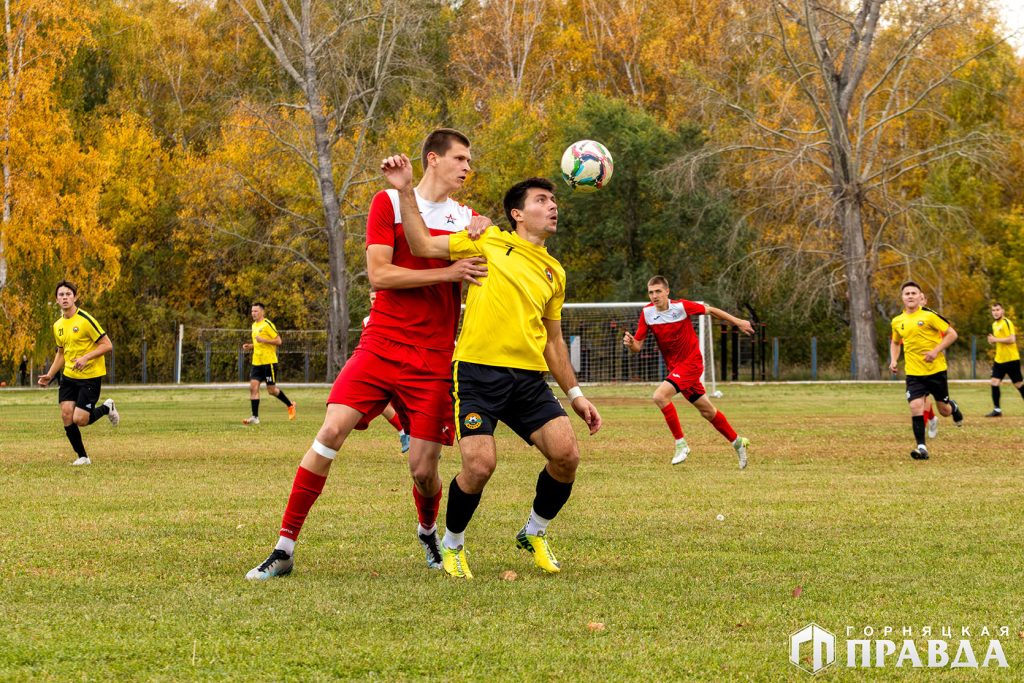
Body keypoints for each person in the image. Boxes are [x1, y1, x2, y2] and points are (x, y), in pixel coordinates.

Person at [246, 128, 489, 580]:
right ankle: (284, 547)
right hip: (380, 343)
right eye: (460, 158)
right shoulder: (388, 202)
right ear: (432, 159)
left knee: (423, 471)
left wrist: (486, 229)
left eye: (469, 160)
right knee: (330, 431)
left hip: (434, 356)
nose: (467, 167)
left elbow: (487, 259)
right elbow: (379, 275)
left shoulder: (466, 217)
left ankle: (427, 530)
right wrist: (449, 272)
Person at [386, 161, 602, 579]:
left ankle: (534, 531)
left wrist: (576, 395)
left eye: (554, 200)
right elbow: (420, 245)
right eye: (542, 200)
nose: (553, 207)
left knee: (567, 456)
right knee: (480, 465)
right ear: (518, 214)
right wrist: (406, 190)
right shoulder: (486, 239)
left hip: (528, 380)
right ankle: (451, 545)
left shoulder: (554, 272)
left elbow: (553, 340)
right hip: (478, 373)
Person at [622, 276, 753, 468]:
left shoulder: (681, 307)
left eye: (658, 291)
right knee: (707, 411)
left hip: (691, 364)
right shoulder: (647, 313)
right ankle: (738, 442)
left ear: (667, 291)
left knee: (660, 396)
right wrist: (631, 343)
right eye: (651, 292)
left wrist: (738, 321)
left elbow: (711, 311)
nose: (654, 296)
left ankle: (681, 444)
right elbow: (638, 346)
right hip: (676, 369)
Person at [37, 280, 119, 465]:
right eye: (61, 295)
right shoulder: (57, 325)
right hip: (69, 377)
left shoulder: (85, 320)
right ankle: (82, 456)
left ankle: (107, 407)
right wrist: (50, 375)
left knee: (80, 419)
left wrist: (86, 358)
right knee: (66, 415)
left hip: (90, 377)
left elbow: (107, 345)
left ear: (75, 297)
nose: (65, 297)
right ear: (57, 300)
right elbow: (61, 353)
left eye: (68, 294)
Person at [889, 281, 964, 460]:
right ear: (902, 297)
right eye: (907, 293)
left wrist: (935, 351)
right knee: (916, 406)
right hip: (914, 373)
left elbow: (952, 334)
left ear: (920, 296)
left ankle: (953, 407)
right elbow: (895, 342)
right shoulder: (897, 321)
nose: (910, 296)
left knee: (944, 410)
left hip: (936, 371)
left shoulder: (929, 316)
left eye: (914, 293)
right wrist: (893, 359)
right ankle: (922, 447)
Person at [363, 290, 411, 453]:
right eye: (372, 299)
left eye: (377, 298)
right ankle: (405, 433)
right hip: (380, 369)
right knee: (382, 404)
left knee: (409, 406)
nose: (374, 302)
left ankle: (418, 439)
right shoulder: (366, 321)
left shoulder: (399, 316)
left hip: (402, 368)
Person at [241, 302, 296, 425]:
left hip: (269, 362)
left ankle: (290, 404)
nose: (253, 313)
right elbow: (258, 343)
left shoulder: (268, 324)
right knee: (253, 387)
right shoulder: (254, 326)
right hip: (257, 362)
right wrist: (250, 346)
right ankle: (255, 417)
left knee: (271, 390)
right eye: (252, 311)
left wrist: (264, 340)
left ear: (262, 312)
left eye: (255, 311)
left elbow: (279, 341)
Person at [985, 302, 1023, 416]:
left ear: (1003, 311)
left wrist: (995, 340)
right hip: (999, 360)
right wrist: (992, 341)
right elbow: (999, 340)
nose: (995, 312)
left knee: (1019, 384)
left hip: (1011, 359)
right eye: (993, 310)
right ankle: (997, 410)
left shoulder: (1007, 322)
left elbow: (1012, 339)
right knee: (994, 382)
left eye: (997, 310)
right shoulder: (994, 325)